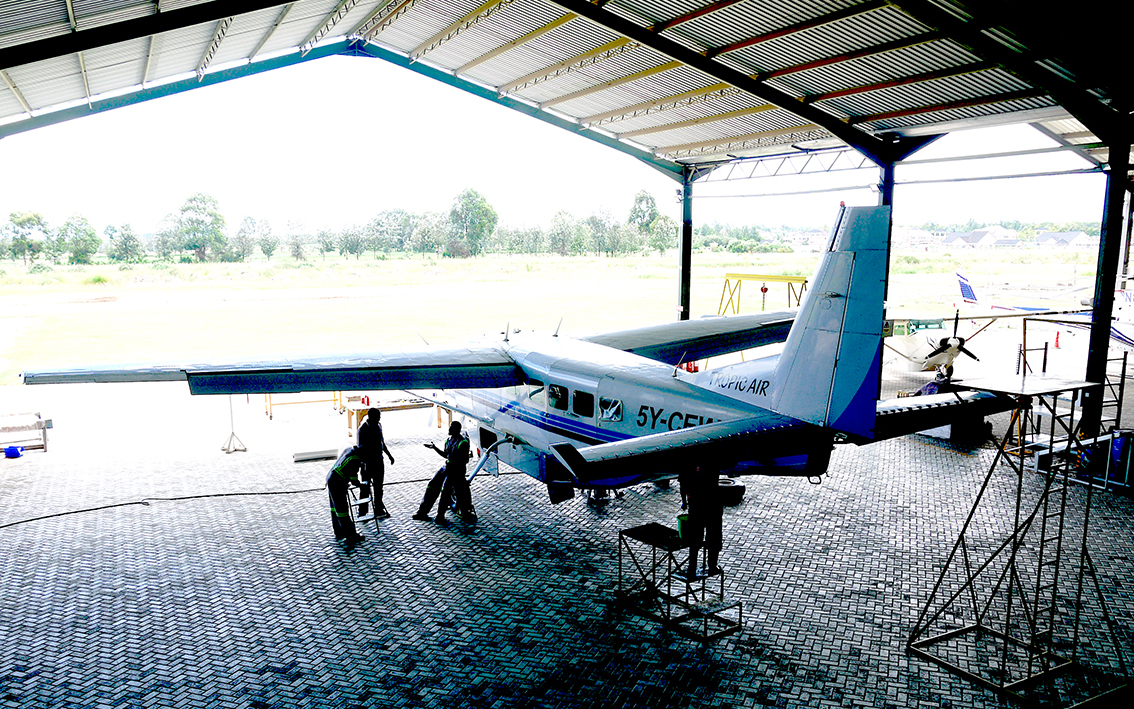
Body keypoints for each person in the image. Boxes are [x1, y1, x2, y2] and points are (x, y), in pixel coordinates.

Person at [413, 421, 475, 524]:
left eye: (451, 428)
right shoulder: (449, 440)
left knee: (445, 491)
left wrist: (453, 468)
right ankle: (422, 512)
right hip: (447, 467)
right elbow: (446, 455)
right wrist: (435, 448)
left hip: (456, 471)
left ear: (456, 430)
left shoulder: (463, 443)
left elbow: (463, 460)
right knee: (432, 485)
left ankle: (440, 516)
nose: (449, 429)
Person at [679, 467, 723, 581]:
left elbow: (683, 485)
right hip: (712, 504)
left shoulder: (688, 465)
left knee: (695, 539)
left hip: (696, 506)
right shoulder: (712, 462)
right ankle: (712, 566)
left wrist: (684, 502)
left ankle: (692, 569)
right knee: (713, 537)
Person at [356, 408, 394, 518]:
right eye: (377, 416)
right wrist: (363, 463)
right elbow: (360, 448)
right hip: (368, 463)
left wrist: (389, 455)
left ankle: (379, 509)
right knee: (365, 488)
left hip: (379, 461)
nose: (379, 418)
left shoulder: (379, 425)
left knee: (378, 487)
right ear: (371, 417)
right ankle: (362, 511)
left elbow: (381, 441)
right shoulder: (363, 429)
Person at [326, 446, 366, 545]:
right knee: (342, 511)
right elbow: (354, 480)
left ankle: (339, 532)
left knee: (335, 509)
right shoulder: (355, 460)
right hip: (337, 483)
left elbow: (344, 468)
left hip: (332, 478)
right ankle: (351, 536)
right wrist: (361, 485)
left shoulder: (350, 450)